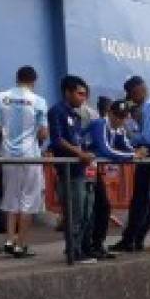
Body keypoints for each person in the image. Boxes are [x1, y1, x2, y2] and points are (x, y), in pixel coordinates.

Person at [0, 66, 49, 259]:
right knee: (29, 200)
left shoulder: (0, 98)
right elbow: (43, 133)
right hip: (30, 154)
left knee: (11, 197)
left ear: (17, 78)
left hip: (7, 154)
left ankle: (9, 239)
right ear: (34, 80)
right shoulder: (39, 102)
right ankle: (21, 244)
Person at [114, 76, 150, 253]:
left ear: (137, 91)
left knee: (140, 200)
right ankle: (139, 238)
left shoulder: (148, 107)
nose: (131, 100)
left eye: (131, 95)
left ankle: (130, 240)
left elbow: (147, 138)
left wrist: (129, 138)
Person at [47, 75, 97, 264]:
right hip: (69, 172)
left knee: (85, 213)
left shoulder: (76, 115)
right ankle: (73, 251)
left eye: (85, 95)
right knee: (74, 214)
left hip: (81, 169)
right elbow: (58, 140)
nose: (82, 98)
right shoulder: (57, 112)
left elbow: (78, 139)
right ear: (67, 92)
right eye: (79, 94)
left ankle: (79, 248)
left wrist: (85, 153)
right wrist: (79, 153)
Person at [85, 100, 136, 260]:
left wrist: (136, 152)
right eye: (117, 116)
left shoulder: (119, 129)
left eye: (123, 117)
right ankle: (87, 246)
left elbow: (126, 146)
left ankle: (97, 245)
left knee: (102, 207)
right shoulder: (100, 124)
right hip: (82, 169)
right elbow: (105, 149)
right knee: (91, 209)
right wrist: (133, 156)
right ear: (110, 113)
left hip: (93, 171)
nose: (120, 120)